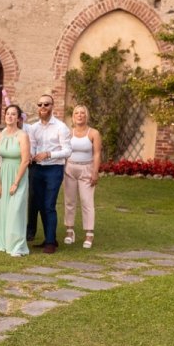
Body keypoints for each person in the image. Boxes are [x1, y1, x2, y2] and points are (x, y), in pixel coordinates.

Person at [26, 93, 72, 254]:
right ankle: (49, 238)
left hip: (53, 169)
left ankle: (51, 242)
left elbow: (67, 151)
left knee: (49, 205)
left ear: (52, 107)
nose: (43, 107)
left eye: (46, 104)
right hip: (37, 169)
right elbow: (32, 146)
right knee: (39, 205)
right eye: (40, 105)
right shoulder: (33, 128)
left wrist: (49, 154)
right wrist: (31, 155)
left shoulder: (61, 127)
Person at [0, 104, 31, 256]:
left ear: (18, 118)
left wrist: (16, 183)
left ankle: (16, 245)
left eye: (13, 114)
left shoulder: (22, 136)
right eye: (8, 114)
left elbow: (25, 160)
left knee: (16, 209)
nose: (10, 117)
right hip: (3, 174)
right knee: (2, 207)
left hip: (18, 175)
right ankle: (2, 241)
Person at [64, 104, 102, 249]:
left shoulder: (94, 133)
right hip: (70, 169)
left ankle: (89, 234)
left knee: (87, 202)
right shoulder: (69, 133)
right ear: (73, 117)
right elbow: (65, 151)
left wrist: (95, 171)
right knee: (69, 201)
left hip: (87, 169)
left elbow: (97, 154)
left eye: (82, 113)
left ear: (86, 116)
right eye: (76, 113)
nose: (79, 115)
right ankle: (69, 231)